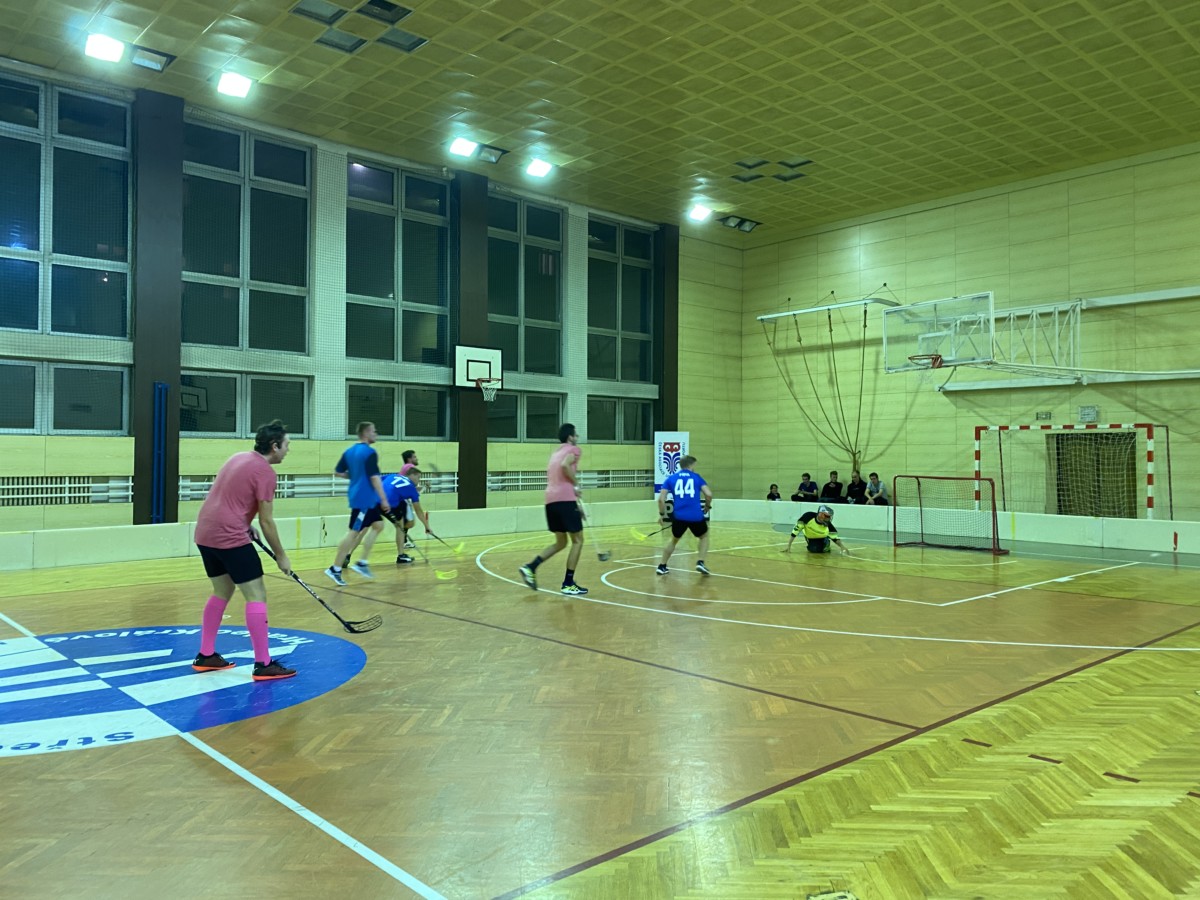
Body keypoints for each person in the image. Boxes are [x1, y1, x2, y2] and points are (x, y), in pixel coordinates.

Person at [191, 419, 297, 681]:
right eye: (286, 445)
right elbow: (267, 521)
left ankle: (206, 655)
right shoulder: (266, 473)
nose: (288, 450)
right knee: (256, 594)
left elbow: (227, 496)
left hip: (205, 533)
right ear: (275, 446)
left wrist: (244, 522)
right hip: (229, 536)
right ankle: (263, 663)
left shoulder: (238, 457)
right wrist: (281, 556)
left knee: (222, 591)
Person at [519, 423, 588, 596]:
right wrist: (576, 484)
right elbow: (566, 466)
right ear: (570, 437)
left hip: (551, 502)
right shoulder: (574, 450)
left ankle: (531, 567)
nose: (577, 438)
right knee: (578, 541)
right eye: (575, 435)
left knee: (561, 542)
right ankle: (568, 583)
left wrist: (576, 506)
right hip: (565, 501)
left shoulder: (555, 453)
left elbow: (558, 478)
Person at [325, 421, 390, 587]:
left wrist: (355, 476)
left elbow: (338, 472)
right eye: (374, 431)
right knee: (353, 532)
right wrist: (384, 499)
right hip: (363, 499)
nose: (376, 434)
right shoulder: (369, 452)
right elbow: (374, 478)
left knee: (378, 525)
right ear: (366, 433)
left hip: (361, 496)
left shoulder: (349, 451)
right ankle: (335, 568)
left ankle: (362, 562)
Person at [656, 455, 714, 576]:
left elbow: (661, 499)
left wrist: (661, 515)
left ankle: (662, 566)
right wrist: (707, 506)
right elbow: (708, 494)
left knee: (674, 540)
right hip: (696, 516)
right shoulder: (697, 477)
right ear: (691, 465)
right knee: (704, 537)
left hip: (679, 517)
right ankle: (700, 562)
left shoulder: (671, 479)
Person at [783, 504, 848, 555]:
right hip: (810, 536)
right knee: (813, 549)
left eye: (829, 517)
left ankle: (826, 543)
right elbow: (795, 531)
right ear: (821, 515)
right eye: (827, 516)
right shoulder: (807, 517)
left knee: (818, 550)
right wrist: (788, 546)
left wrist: (842, 547)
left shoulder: (828, 525)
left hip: (822, 537)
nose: (829, 519)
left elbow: (835, 538)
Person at [398, 449, 422, 549]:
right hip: (403, 498)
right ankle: (403, 542)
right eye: (414, 457)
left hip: (401, 496)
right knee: (408, 521)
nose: (417, 459)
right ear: (409, 459)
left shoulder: (405, 467)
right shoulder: (410, 467)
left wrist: (421, 487)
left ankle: (404, 541)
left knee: (406, 520)